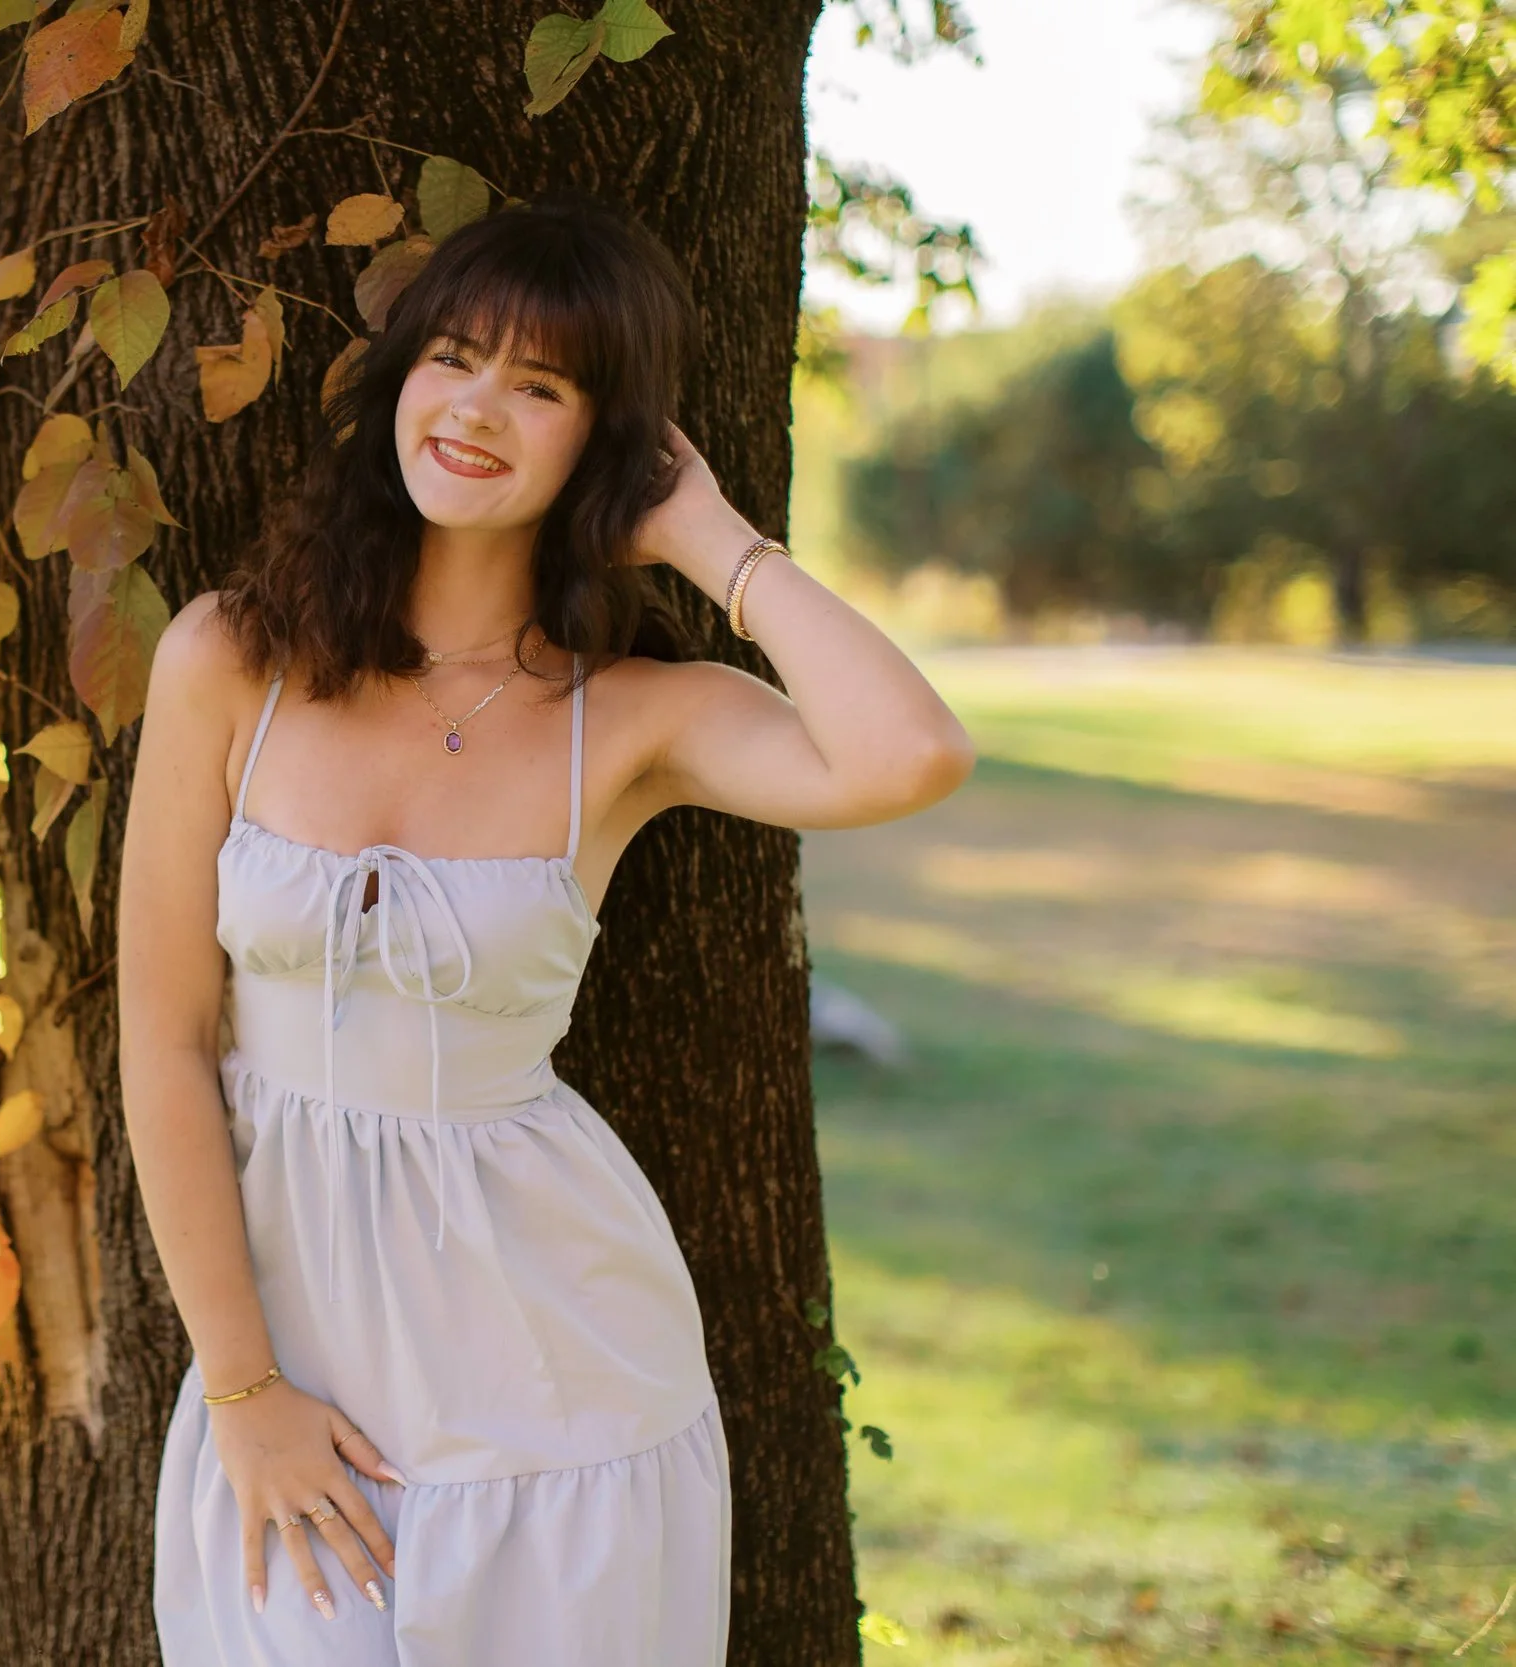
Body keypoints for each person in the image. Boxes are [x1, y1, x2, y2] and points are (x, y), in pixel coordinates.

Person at [117, 194, 974, 1664]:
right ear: (402, 377)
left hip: (562, 1380)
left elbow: (911, 755)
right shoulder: (231, 656)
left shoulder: (629, 718)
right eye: (454, 358)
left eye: (542, 385)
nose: (475, 408)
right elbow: (163, 1037)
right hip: (294, 1372)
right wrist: (247, 1393)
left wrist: (709, 534)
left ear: (608, 442)